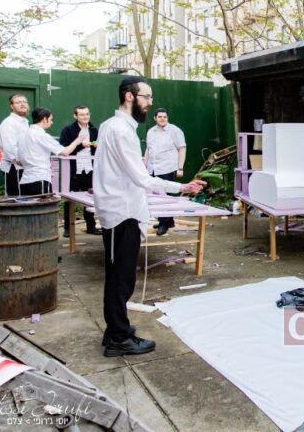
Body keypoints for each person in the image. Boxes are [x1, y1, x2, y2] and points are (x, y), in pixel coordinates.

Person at [93, 76, 205, 357]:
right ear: (129, 96)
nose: (150, 103)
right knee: (121, 279)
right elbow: (141, 177)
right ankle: (118, 338)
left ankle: (116, 330)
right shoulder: (120, 130)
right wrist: (182, 187)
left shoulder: (112, 126)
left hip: (124, 209)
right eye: (147, 96)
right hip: (122, 212)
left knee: (121, 276)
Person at [16, 108, 85, 196]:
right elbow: (65, 152)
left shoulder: (22, 135)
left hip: (24, 181)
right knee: (44, 205)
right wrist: (78, 140)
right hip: (40, 180)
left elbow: (18, 160)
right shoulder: (42, 135)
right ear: (45, 119)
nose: (52, 122)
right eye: (51, 119)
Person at [144, 108, 187, 236]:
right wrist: (144, 166)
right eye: (160, 117)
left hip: (167, 168)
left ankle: (163, 224)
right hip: (153, 168)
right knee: (156, 196)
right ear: (155, 118)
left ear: (167, 118)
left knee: (165, 197)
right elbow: (148, 149)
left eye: (165, 117)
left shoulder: (175, 130)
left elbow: (182, 148)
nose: (162, 119)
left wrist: (180, 167)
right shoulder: (151, 132)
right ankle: (168, 221)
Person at [59, 105, 100, 237]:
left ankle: (91, 226)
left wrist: (97, 145)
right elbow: (63, 148)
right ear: (75, 116)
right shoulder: (68, 130)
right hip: (74, 170)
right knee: (69, 199)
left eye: (87, 114)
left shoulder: (94, 130)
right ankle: (67, 228)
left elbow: (99, 147)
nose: (85, 117)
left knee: (90, 197)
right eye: (81, 114)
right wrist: (81, 145)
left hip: (90, 168)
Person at [0, 94, 30, 195]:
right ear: (12, 106)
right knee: (16, 200)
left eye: (24, 102)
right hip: (14, 167)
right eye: (18, 102)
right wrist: (26, 162)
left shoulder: (25, 122)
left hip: (24, 167)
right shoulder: (9, 123)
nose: (23, 104)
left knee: (27, 199)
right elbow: (10, 149)